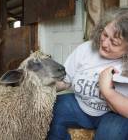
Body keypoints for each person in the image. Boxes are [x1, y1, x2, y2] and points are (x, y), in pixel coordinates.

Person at [46, 7, 128, 140]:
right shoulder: (85, 49)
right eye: (105, 34)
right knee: (51, 108)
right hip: (80, 105)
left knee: (112, 133)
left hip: (113, 115)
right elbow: (66, 81)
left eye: (114, 42)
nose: (105, 43)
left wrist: (107, 90)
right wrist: (43, 87)